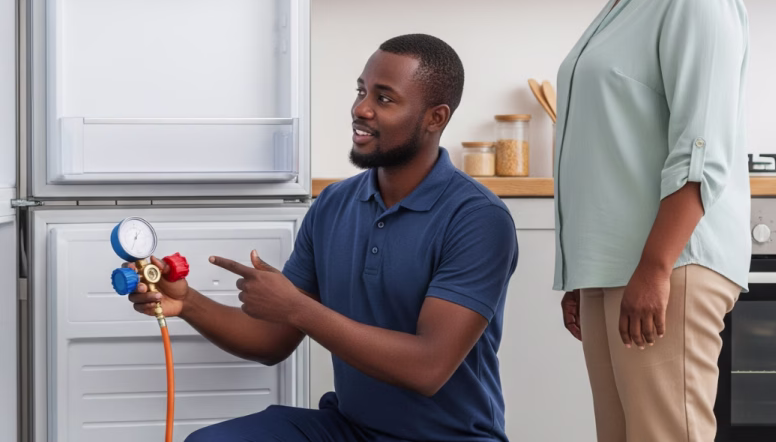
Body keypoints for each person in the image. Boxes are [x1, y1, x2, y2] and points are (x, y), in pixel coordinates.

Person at [126, 33, 519, 442]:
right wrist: (186, 302)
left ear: (435, 118)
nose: (361, 108)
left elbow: (428, 368)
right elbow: (270, 340)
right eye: (362, 91)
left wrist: (297, 308)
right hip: (348, 429)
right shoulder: (335, 203)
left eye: (384, 99)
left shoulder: (477, 218)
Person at [553, 0, 750, 440]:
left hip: (669, 265)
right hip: (619, 267)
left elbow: (700, 148)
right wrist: (584, 275)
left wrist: (654, 268)